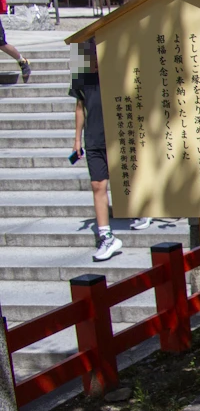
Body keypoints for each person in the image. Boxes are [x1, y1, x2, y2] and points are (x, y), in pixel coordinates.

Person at [69, 40, 122, 261]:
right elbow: (80, 106)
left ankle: (142, 211)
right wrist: (77, 139)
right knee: (97, 184)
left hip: (119, 135)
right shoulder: (81, 71)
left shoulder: (116, 67)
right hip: (94, 137)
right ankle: (105, 235)